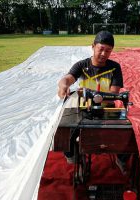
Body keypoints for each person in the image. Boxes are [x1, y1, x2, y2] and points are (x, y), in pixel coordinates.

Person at [57, 30, 129, 175]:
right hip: (84, 108)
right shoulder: (81, 65)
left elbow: (114, 94)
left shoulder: (115, 68)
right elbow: (68, 78)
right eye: (101, 49)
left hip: (106, 108)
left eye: (108, 51)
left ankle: (121, 159)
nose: (103, 54)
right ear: (93, 46)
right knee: (62, 132)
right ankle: (76, 159)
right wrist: (63, 85)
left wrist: (99, 98)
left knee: (128, 133)